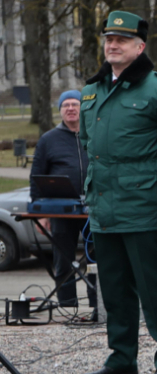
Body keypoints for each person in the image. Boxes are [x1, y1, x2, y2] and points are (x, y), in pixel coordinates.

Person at [78, 11, 157, 374]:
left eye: (121, 40)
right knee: (114, 287)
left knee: (155, 285)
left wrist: (151, 178)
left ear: (140, 47)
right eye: (109, 38)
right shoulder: (92, 91)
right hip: (104, 204)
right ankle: (121, 356)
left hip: (145, 205)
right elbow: (87, 144)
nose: (112, 45)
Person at [29, 89, 87, 310]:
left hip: (95, 210)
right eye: (66, 105)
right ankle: (68, 307)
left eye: (75, 104)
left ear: (83, 107)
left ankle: (99, 305)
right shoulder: (48, 140)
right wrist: (41, 213)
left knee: (98, 261)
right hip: (61, 210)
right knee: (64, 261)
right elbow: (36, 177)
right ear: (60, 110)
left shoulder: (94, 135)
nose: (70, 108)